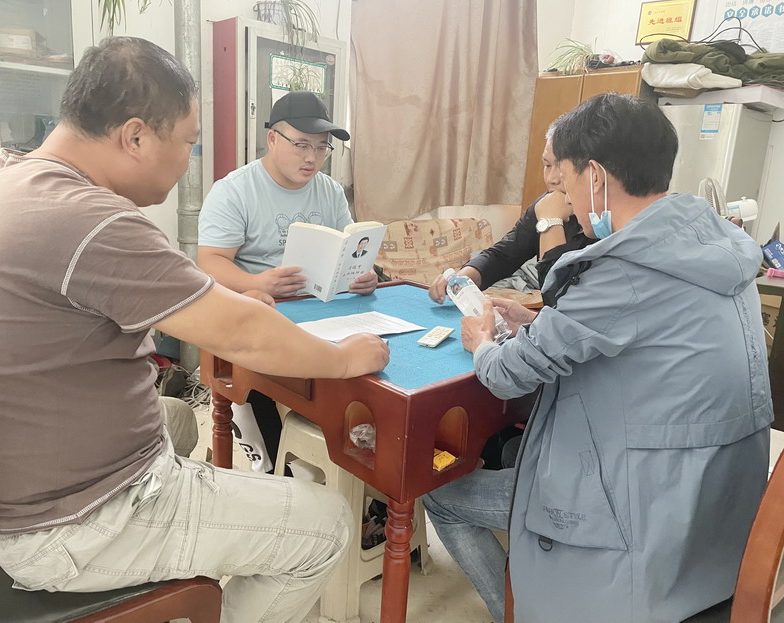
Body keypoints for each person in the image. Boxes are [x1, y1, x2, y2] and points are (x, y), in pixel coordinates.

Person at [0, 37, 389, 623]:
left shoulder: (7, 175)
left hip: (15, 481)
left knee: (180, 418)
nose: (190, 160)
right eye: (188, 142)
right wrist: (346, 359)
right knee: (327, 525)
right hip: (70, 522)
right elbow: (239, 330)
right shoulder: (89, 220)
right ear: (135, 136)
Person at [422, 93, 773, 623]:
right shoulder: (714, 247)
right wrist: (536, 325)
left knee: (442, 495)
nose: (563, 199)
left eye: (564, 183)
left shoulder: (625, 268)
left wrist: (482, 340)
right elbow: (637, 337)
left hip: (640, 505)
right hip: (713, 502)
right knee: (514, 450)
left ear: (595, 176)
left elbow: (507, 375)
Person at [198, 90, 378, 473]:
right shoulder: (234, 191)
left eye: (321, 147)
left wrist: (361, 274)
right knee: (271, 386)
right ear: (272, 139)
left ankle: (357, 465)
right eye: (301, 145)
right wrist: (255, 282)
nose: (312, 158)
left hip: (323, 312)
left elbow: (349, 247)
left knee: (370, 364)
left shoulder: (329, 190)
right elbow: (209, 262)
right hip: (262, 314)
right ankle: (277, 468)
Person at [428, 125, 593, 307]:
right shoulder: (546, 204)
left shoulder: (603, 221)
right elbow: (505, 254)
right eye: (547, 165)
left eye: (561, 168)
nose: (551, 179)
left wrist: (550, 221)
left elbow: (562, 300)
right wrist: (464, 277)